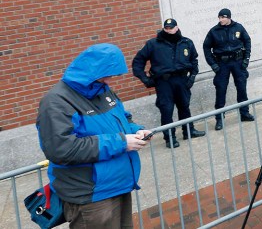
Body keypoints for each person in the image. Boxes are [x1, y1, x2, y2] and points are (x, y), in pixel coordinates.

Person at [37, 44, 153, 229]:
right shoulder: (57, 101)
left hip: (118, 184)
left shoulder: (102, 90)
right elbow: (62, 149)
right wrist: (122, 143)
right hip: (91, 195)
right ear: (92, 71)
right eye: (107, 75)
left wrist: (136, 130)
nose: (109, 81)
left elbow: (122, 119)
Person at [132, 18, 204, 147]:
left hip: (182, 80)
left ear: (177, 28)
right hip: (164, 83)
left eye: (171, 28)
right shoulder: (153, 44)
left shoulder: (186, 42)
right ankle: (170, 138)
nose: (169, 30)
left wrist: (192, 77)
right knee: (166, 110)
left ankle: (188, 131)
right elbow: (138, 62)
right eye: (167, 28)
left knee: (184, 107)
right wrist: (145, 79)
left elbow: (194, 61)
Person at [203, 8, 253, 130]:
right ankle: (219, 119)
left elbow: (247, 41)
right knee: (221, 91)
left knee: (241, 88)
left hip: (238, 62)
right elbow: (206, 47)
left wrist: (246, 59)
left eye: (223, 17)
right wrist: (213, 65)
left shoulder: (238, 27)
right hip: (222, 64)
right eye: (219, 18)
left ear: (228, 17)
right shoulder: (214, 31)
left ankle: (244, 113)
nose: (221, 20)